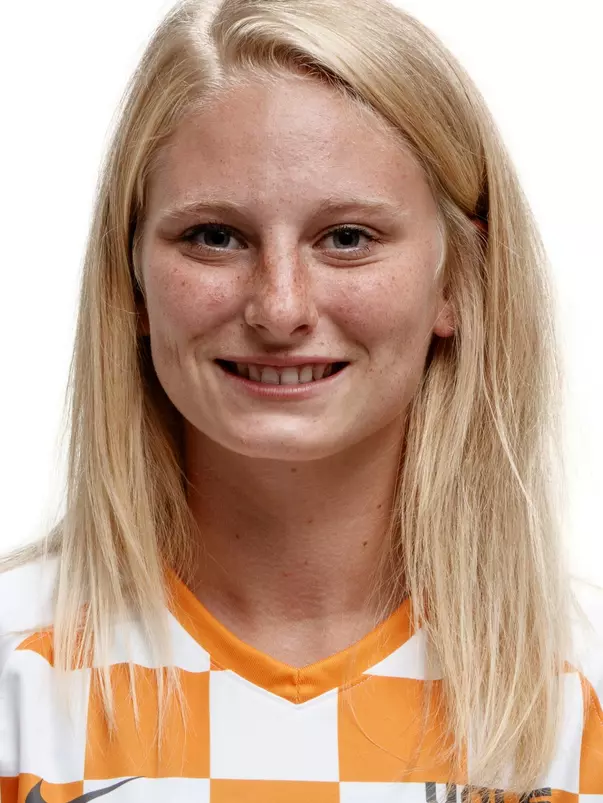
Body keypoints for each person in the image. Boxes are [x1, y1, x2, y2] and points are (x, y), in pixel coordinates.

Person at [1, 0, 602, 800]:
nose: (279, 308)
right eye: (214, 235)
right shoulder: (19, 672)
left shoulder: (577, 689)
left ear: (458, 279)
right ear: (132, 279)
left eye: (346, 237)